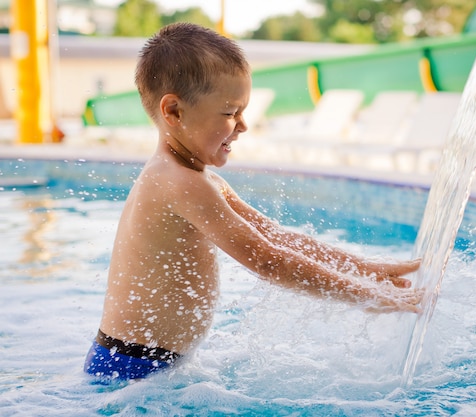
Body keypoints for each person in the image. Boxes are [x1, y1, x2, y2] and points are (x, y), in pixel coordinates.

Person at [84, 22, 423, 382]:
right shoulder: (177, 182)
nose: (243, 125)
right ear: (174, 112)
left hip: (145, 364)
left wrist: (365, 268)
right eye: (230, 113)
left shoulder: (200, 178)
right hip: (127, 370)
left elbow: (274, 236)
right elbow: (268, 261)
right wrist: (369, 298)